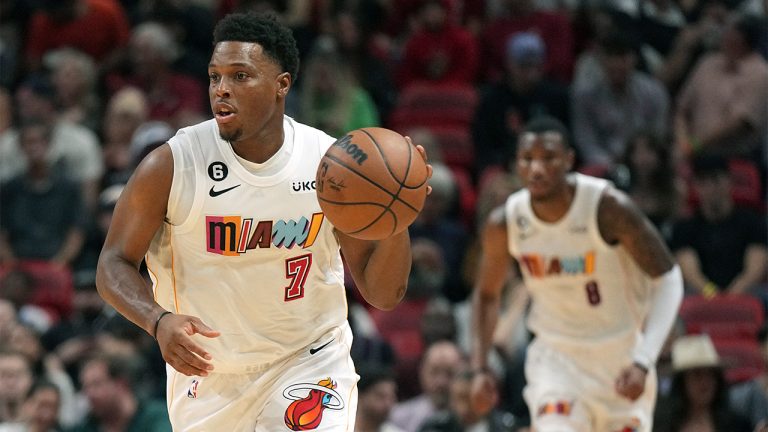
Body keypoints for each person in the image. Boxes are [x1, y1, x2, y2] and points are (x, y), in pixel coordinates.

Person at [95, 12, 428, 431]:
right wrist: (156, 320)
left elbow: (383, 294)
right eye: (215, 77)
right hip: (208, 372)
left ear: (281, 85)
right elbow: (112, 264)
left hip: (308, 358)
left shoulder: (330, 167)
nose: (222, 90)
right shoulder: (172, 164)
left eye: (240, 76)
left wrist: (396, 216)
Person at [469, 116, 684, 431]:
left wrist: (644, 359)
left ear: (569, 159)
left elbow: (668, 278)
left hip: (621, 359)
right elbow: (487, 295)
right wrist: (480, 368)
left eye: (549, 159)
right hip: (556, 362)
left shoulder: (608, 207)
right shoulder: (506, 222)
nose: (537, 169)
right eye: (527, 160)